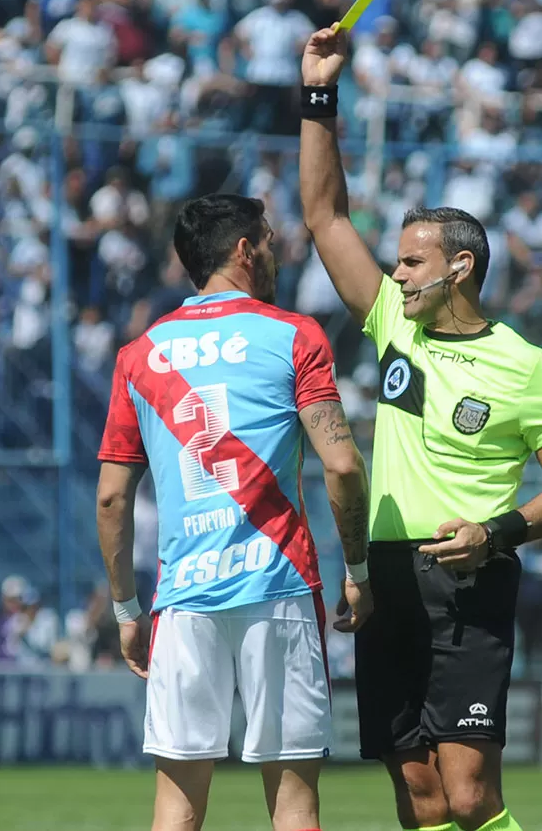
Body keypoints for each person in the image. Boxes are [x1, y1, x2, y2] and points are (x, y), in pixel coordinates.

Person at [298, 27, 542, 831]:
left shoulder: (525, 366)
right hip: (388, 576)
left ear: (459, 267)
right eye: (394, 262)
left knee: (470, 796)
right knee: (421, 799)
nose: (395, 275)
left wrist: (496, 535)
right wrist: (320, 93)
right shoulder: (396, 324)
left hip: (471, 576)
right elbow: (324, 216)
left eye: (410, 263)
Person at [96, 193, 373, 831]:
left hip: (184, 596)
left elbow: (112, 497)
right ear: (244, 251)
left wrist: (125, 610)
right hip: (277, 585)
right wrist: (355, 566)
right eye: (270, 241)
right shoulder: (294, 335)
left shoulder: (139, 356)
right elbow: (343, 466)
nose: (276, 250)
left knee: (177, 807)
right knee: (295, 807)